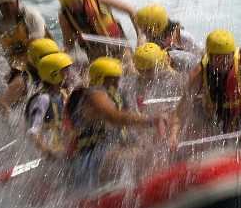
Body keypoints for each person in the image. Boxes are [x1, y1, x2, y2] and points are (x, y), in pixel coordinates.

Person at [66, 57, 167, 188]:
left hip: (107, 153)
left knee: (151, 148)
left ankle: (148, 188)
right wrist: (151, 120)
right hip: (89, 158)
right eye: (113, 78)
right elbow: (114, 117)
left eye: (118, 78)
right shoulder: (94, 94)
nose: (117, 83)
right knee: (136, 158)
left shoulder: (113, 95)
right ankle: (149, 189)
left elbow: (127, 126)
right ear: (100, 77)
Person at [54, 0, 139, 61]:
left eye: (78, 0)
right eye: (71, 3)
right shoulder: (64, 16)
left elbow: (131, 11)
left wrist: (140, 35)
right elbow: (69, 43)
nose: (76, 5)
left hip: (120, 48)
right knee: (88, 75)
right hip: (96, 58)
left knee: (131, 71)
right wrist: (62, 53)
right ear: (64, 3)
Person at [24, 52, 74, 160]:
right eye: (65, 70)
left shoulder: (64, 95)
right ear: (54, 74)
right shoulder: (43, 98)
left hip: (64, 152)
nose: (69, 73)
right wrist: (46, 151)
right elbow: (32, 131)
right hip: (50, 155)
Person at [0, 38, 59, 117]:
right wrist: (14, 123)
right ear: (37, 60)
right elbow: (3, 104)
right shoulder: (22, 79)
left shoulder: (54, 74)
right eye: (50, 58)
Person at [128, 42, 184, 111]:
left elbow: (183, 93)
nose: (145, 75)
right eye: (141, 71)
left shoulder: (170, 71)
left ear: (158, 65)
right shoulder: (137, 78)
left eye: (149, 71)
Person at [134, 4, 200, 53]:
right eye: (142, 28)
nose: (143, 32)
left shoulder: (181, 36)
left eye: (146, 28)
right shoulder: (154, 37)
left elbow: (199, 54)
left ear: (158, 26)